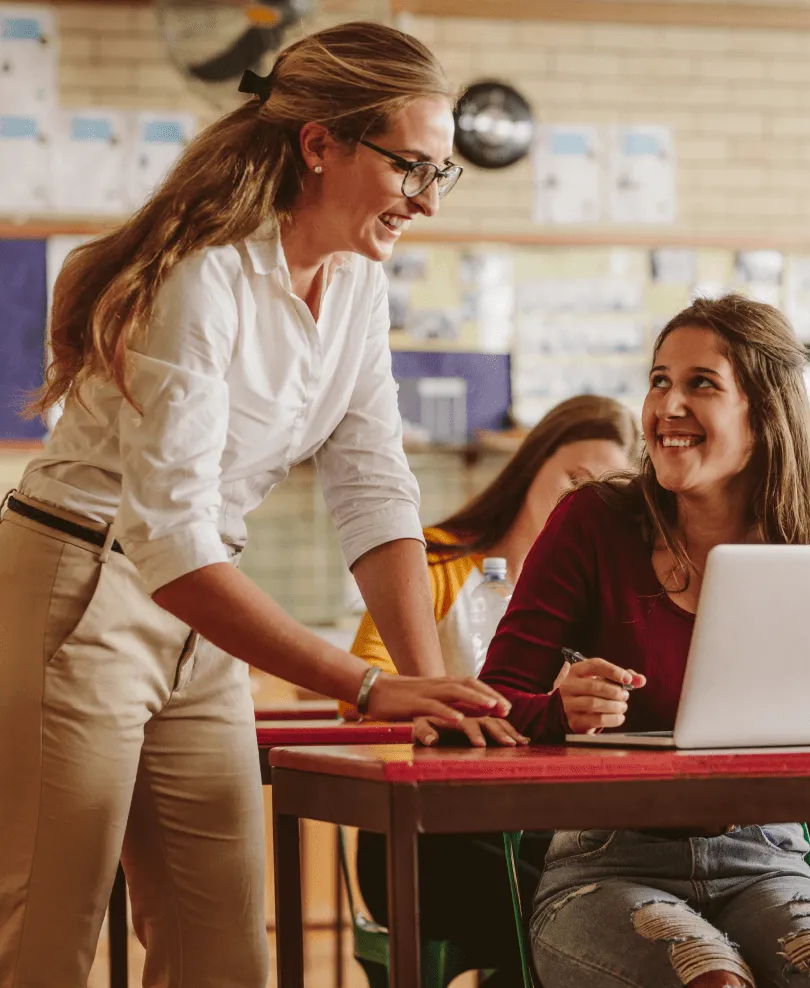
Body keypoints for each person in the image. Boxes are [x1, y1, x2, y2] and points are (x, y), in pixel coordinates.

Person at [0, 23, 510, 988]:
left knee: (224, 948)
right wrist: (364, 689)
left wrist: (426, 688)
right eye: (412, 168)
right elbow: (169, 533)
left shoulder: (358, 280)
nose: (426, 202)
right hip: (83, 584)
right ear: (321, 144)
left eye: (443, 176)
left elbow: (371, 480)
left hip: (198, 599)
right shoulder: (204, 276)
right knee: (45, 932)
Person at [477, 294, 810, 988]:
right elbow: (492, 700)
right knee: (708, 979)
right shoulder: (593, 521)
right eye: (659, 381)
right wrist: (561, 712)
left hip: (769, 857)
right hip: (607, 860)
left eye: (700, 385)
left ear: (763, 415)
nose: (666, 407)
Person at [347, 392, 639, 987]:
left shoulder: (603, 597)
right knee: (593, 920)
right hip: (431, 835)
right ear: (530, 465)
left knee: (612, 907)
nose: (575, 503)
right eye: (571, 479)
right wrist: (429, 716)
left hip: (550, 835)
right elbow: (363, 695)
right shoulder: (434, 562)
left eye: (598, 494)